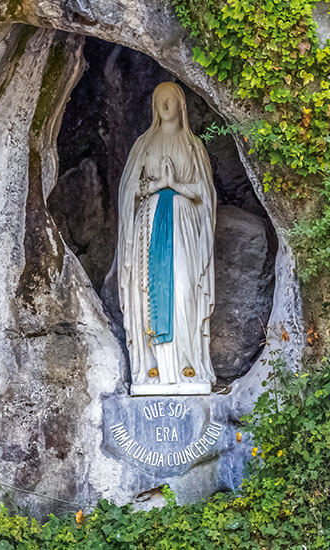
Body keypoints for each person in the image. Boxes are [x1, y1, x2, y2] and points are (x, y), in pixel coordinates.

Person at [116, 81, 216, 395]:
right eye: (159, 100)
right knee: (148, 291)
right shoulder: (144, 144)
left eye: (170, 99)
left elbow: (206, 193)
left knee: (184, 289)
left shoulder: (193, 146)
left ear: (181, 105)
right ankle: (154, 367)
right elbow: (128, 191)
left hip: (183, 224)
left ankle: (189, 365)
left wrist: (177, 186)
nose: (165, 105)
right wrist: (157, 185)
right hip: (149, 225)